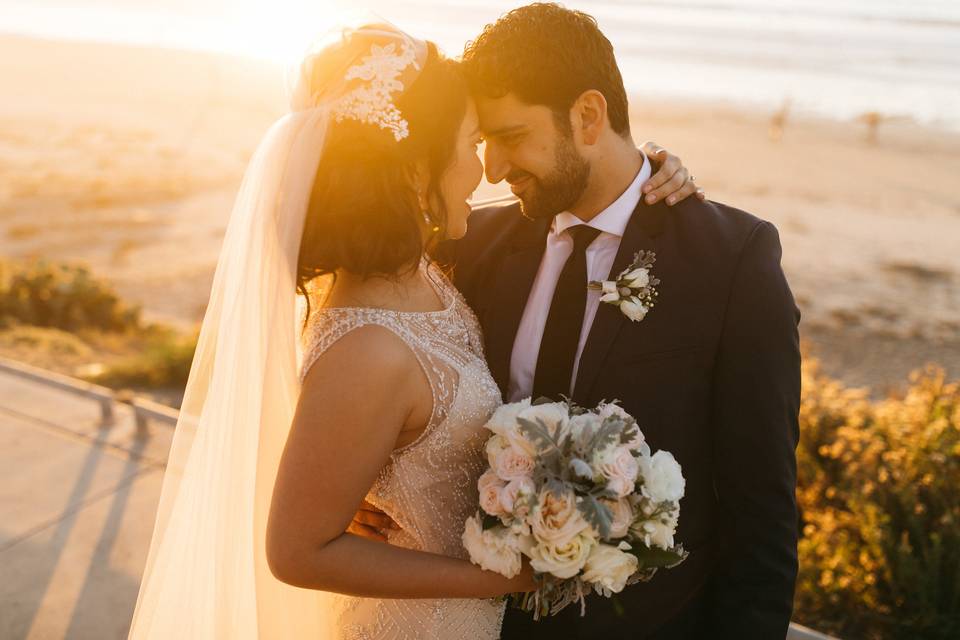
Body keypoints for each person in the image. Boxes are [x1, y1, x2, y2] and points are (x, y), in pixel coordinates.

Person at [127, 21, 701, 640]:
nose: (484, 169)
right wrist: (508, 578)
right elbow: (295, 550)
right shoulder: (368, 345)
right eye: (472, 141)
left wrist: (654, 173)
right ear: (412, 169)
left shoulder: (429, 265)